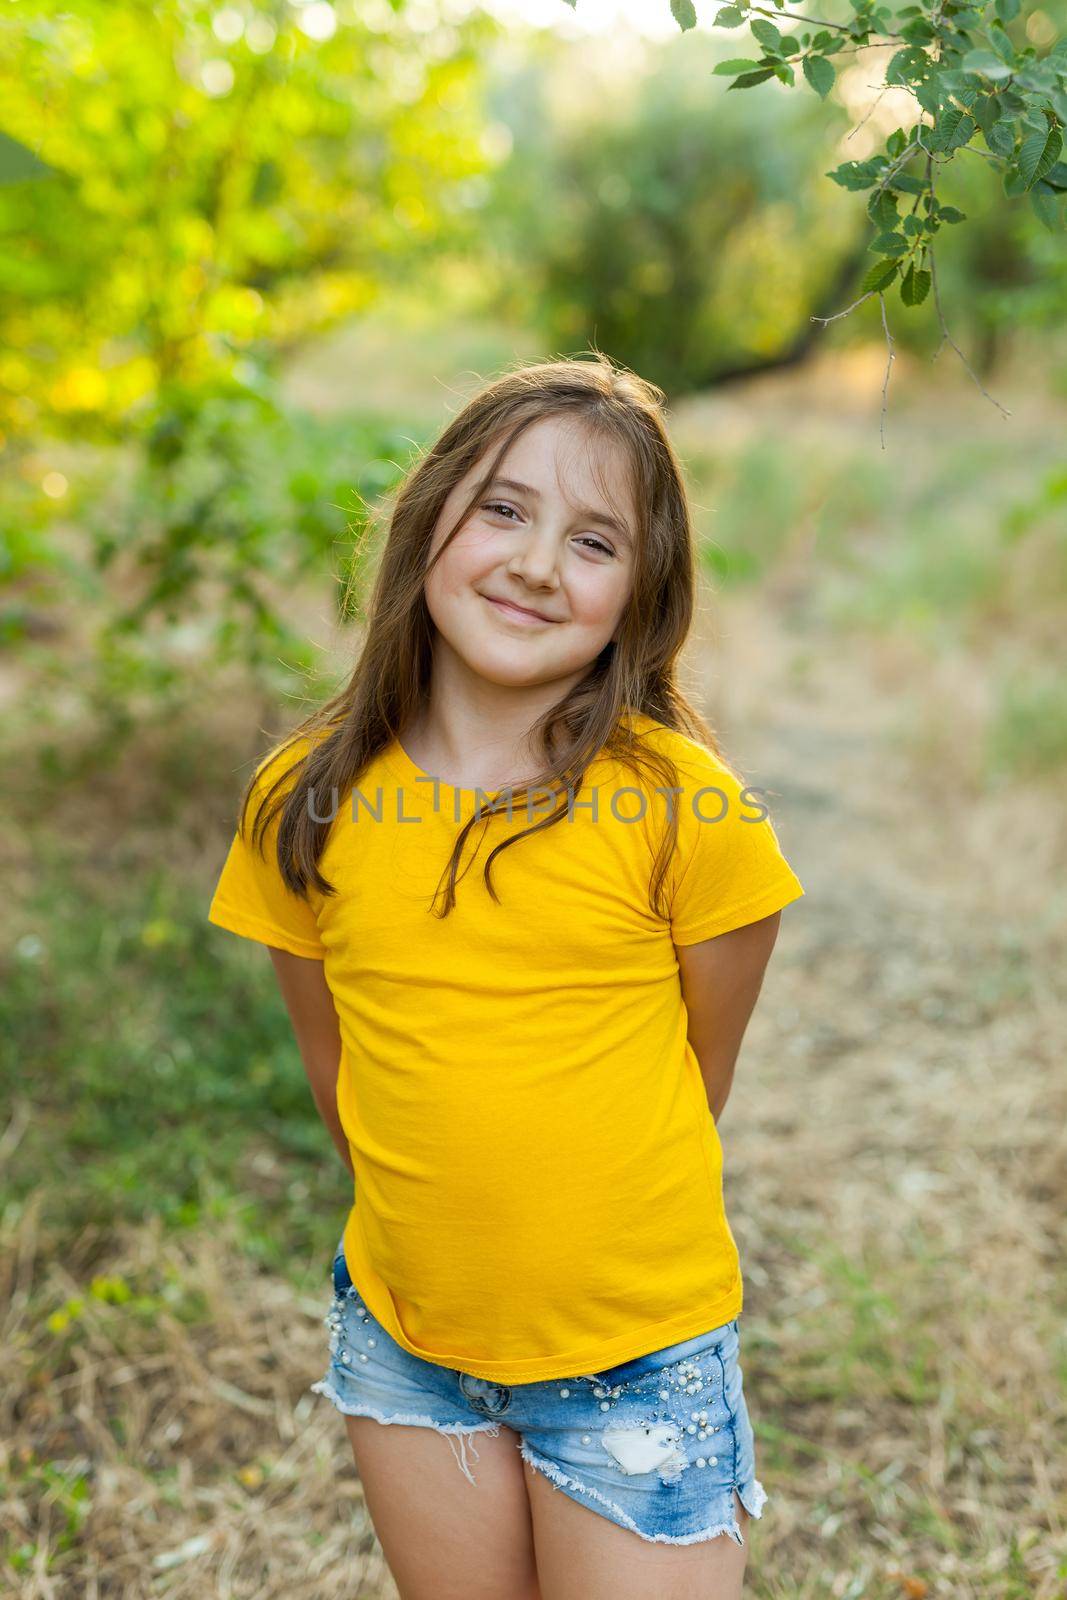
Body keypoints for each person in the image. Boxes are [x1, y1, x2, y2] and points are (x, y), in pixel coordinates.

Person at [207, 354, 805, 1600]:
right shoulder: (305, 799)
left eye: (594, 541)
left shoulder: (682, 808)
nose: (536, 564)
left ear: (640, 595)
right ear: (429, 521)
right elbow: (342, 1078)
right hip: (407, 1344)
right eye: (502, 509)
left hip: (632, 1359)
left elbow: (701, 1068)